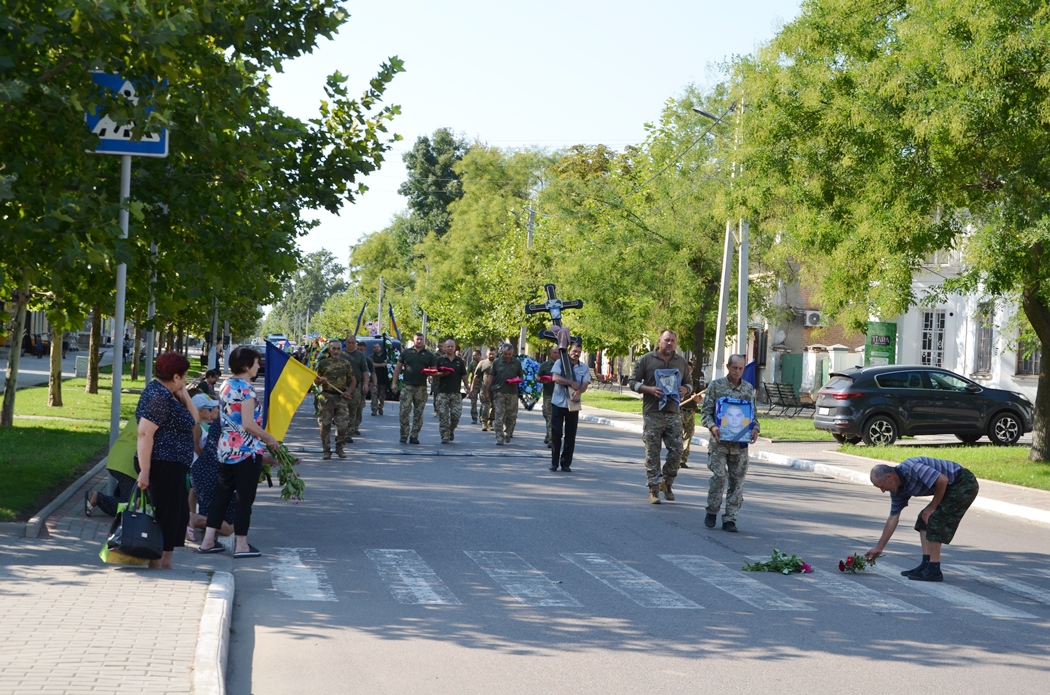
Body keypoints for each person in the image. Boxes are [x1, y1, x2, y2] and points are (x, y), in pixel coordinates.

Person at [197, 346, 278, 558]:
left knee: (221, 496)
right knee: (244, 499)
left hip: (225, 449)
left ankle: (207, 541)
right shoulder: (247, 390)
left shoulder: (226, 384)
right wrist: (269, 438)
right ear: (245, 365)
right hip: (246, 451)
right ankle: (242, 544)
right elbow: (248, 423)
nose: (258, 365)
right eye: (256, 362)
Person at [134, 351, 200, 569]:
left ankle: (166, 561)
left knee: (178, 514)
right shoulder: (159, 397)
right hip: (162, 463)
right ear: (175, 376)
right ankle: (158, 562)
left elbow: (194, 420)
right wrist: (144, 471)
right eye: (184, 376)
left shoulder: (168, 393)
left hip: (174, 464)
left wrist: (184, 395)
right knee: (166, 515)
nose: (186, 379)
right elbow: (144, 433)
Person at [866, 458, 980, 582]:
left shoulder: (911, 468)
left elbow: (942, 480)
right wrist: (879, 547)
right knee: (923, 519)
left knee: (934, 518)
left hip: (963, 482)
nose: (883, 491)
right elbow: (893, 518)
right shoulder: (898, 490)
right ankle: (926, 565)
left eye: (881, 486)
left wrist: (932, 507)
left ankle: (934, 569)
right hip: (949, 487)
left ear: (889, 477)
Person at [629, 330, 692, 504]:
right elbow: (632, 382)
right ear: (659, 341)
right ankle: (653, 489)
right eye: (667, 340)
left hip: (673, 412)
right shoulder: (647, 360)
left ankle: (667, 482)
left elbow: (689, 383)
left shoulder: (680, 362)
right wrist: (648, 389)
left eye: (673, 340)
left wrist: (685, 390)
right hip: (653, 412)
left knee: (678, 451)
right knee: (653, 452)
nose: (670, 343)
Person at [700, 353, 760, 532]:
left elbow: (753, 415)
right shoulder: (716, 386)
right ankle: (712, 510)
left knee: (737, 481)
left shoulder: (748, 389)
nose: (737, 371)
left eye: (741, 368)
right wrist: (712, 427)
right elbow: (706, 413)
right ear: (728, 367)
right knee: (718, 477)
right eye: (734, 368)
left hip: (739, 445)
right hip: (719, 442)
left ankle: (730, 518)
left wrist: (755, 429)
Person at [189, 393, 235, 538]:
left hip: (204, 469)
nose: (213, 411)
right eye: (210, 409)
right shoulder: (199, 425)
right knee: (228, 527)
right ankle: (193, 518)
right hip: (209, 471)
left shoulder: (214, 423)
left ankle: (197, 520)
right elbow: (196, 446)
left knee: (210, 510)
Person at [84, 418, 139, 518]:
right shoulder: (156, 416)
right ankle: (98, 499)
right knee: (130, 508)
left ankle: (116, 497)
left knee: (128, 489)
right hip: (128, 463)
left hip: (117, 456)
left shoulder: (142, 410)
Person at [549, 341, 590, 471]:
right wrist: (570, 382)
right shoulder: (560, 363)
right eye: (574, 351)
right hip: (558, 403)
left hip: (573, 404)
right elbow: (555, 378)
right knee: (556, 433)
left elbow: (585, 383)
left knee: (570, 435)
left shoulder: (584, 367)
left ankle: (566, 463)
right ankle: (554, 462)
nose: (576, 354)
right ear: (569, 351)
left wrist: (579, 392)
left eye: (578, 352)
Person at [391, 332, 437, 444]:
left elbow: (434, 370)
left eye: (421, 339)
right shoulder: (406, 352)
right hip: (407, 386)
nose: (419, 341)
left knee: (419, 413)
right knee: (404, 411)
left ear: (424, 340)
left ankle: (414, 435)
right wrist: (394, 383)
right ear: (414, 340)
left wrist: (429, 373)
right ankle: (404, 434)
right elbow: (398, 368)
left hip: (421, 387)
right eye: (417, 339)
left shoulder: (429, 355)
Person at [315, 340, 356, 459]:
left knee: (343, 425)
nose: (336, 351)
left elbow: (353, 380)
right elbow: (314, 380)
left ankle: (340, 448)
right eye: (334, 349)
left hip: (341, 397)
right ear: (329, 350)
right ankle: (326, 451)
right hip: (326, 397)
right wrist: (320, 381)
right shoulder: (323, 363)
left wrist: (348, 392)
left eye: (338, 349)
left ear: (341, 350)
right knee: (325, 426)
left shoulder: (345, 363)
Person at [485, 343, 524, 446]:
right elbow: (490, 377)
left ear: (512, 353)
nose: (507, 356)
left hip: (512, 393)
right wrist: (487, 391)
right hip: (499, 392)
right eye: (505, 354)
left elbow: (521, 377)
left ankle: (508, 432)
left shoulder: (516, 363)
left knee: (512, 416)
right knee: (499, 415)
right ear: (502, 352)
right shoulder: (497, 362)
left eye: (509, 354)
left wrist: (516, 380)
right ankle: (499, 437)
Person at [435, 338, 469, 444]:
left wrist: (467, 387)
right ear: (444, 347)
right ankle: (444, 436)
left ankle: (451, 430)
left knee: (456, 415)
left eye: (452, 346)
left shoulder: (459, 361)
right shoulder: (440, 360)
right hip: (443, 392)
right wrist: (443, 374)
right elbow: (434, 373)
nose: (450, 348)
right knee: (443, 415)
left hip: (456, 392)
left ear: (455, 348)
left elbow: (464, 375)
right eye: (448, 346)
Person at [340, 335, 370, 438]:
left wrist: (366, 384)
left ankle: (349, 433)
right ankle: (340, 431)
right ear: (346, 343)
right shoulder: (341, 354)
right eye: (349, 343)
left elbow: (365, 371)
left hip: (356, 387)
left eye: (353, 343)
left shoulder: (360, 356)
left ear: (355, 344)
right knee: (341, 410)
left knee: (353, 409)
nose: (351, 345)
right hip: (342, 387)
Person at [678, 358, 706, 468]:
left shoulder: (695, 382)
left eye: (689, 369)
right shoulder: (677, 381)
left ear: (692, 369)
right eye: (686, 369)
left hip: (691, 412)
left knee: (688, 435)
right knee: (677, 436)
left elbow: (700, 399)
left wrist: (696, 398)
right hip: (679, 411)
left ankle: (683, 459)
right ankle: (675, 457)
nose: (688, 371)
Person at [537, 347, 560, 449]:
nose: (556, 354)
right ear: (551, 353)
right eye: (554, 353)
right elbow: (537, 377)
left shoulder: (564, 365)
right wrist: (542, 380)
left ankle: (551, 439)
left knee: (554, 418)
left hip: (560, 395)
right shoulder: (545, 365)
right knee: (547, 415)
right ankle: (549, 435)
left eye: (558, 353)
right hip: (548, 395)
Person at [469, 347, 496, 431]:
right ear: (486, 354)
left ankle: (490, 422)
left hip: (496, 389)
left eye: (493, 354)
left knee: (494, 407)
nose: (491, 355)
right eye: (490, 354)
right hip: (484, 388)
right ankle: (484, 422)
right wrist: (472, 388)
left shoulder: (499, 363)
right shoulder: (482, 363)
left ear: (496, 354)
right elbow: (476, 377)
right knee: (485, 406)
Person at [370, 341, 389, 415]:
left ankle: (380, 407)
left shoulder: (385, 356)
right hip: (374, 379)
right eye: (374, 347)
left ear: (380, 348)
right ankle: (374, 410)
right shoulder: (371, 356)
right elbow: (371, 364)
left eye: (377, 347)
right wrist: (381, 365)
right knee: (374, 395)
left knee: (382, 396)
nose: (376, 349)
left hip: (383, 379)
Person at [466, 349, 482, 424]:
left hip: (483, 385)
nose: (474, 356)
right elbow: (468, 373)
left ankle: (482, 417)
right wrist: (467, 385)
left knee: (484, 402)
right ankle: (474, 417)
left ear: (479, 355)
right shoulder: (472, 364)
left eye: (475, 355)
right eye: (473, 355)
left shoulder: (484, 363)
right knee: (473, 402)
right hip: (474, 385)